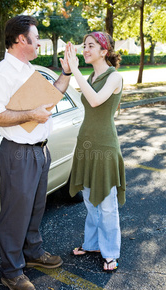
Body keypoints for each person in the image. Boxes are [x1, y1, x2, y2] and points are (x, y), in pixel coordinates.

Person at [0, 15, 72, 290]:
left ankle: (32, 252)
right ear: (21, 40)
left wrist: (67, 73)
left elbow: (53, 96)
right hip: (17, 153)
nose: (38, 44)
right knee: (15, 214)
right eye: (35, 38)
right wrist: (31, 114)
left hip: (39, 150)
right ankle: (11, 272)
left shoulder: (27, 69)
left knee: (35, 208)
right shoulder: (1, 74)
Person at [67, 32, 126, 272]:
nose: (85, 49)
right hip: (86, 144)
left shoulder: (114, 77)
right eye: (84, 46)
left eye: (90, 46)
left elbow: (95, 101)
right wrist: (69, 70)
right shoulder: (91, 76)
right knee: (90, 200)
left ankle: (110, 253)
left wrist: (75, 70)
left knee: (107, 203)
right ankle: (92, 244)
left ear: (104, 51)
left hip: (105, 147)